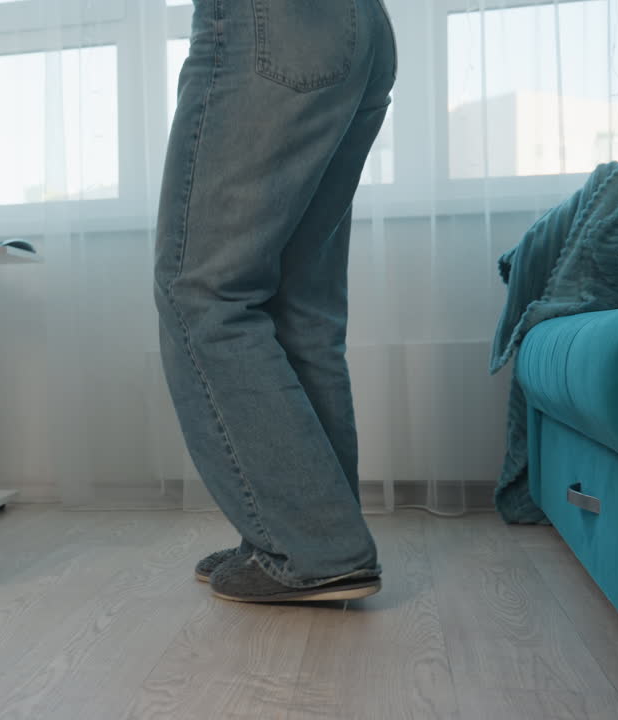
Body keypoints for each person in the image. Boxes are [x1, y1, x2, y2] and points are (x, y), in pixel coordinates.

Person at [155, 0, 397, 603]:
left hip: (269, 28)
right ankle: (306, 534)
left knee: (205, 294)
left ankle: (315, 546)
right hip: (355, 26)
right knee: (298, 313)